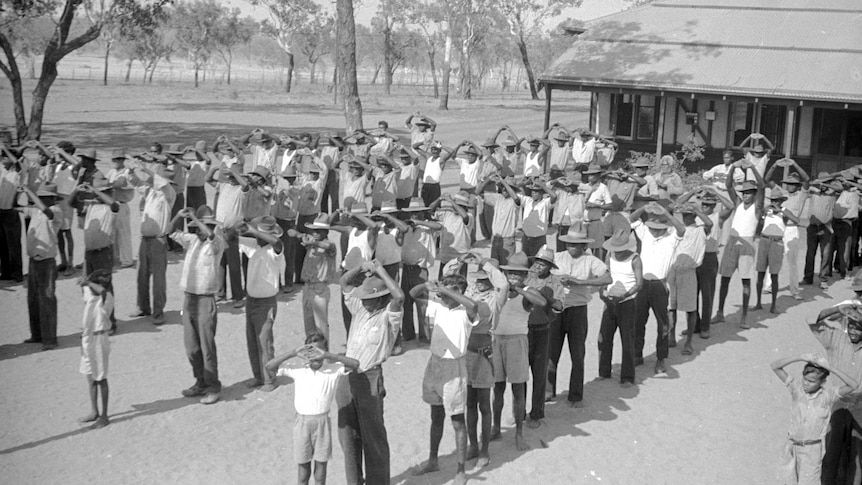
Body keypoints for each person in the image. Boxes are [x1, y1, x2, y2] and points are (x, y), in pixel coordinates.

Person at [409, 275, 480, 485]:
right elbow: (413, 295)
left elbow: (473, 304)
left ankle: (460, 470)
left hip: (454, 367)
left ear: (459, 292)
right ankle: (433, 461)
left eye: (448, 292)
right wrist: (426, 285)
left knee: (457, 420)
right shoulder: (438, 306)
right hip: (435, 364)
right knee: (436, 415)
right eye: (442, 292)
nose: (443, 296)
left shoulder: (465, 312)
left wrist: (447, 291)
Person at [338, 260, 404, 485]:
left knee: (373, 436)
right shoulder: (358, 309)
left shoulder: (389, 315)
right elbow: (344, 282)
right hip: (347, 376)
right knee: (349, 436)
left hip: (370, 376)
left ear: (380, 297)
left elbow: (400, 296)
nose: (365, 303)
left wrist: (380, 271)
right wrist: (361, 267)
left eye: (369, 299)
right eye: (363, 298)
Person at [266, 333, 360, 485]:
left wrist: (328, 355)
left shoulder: (333, 369)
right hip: (302, 423)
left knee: (321, 471)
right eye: (312, 352)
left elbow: (355, 364)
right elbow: (269, 366)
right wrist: (294, 352)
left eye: (319, 352)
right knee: (303, 472)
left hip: (323, 422)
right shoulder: (298, 369)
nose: (316, 357)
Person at [771, 354, 858, 485]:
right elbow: (775, 366)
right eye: (804, 379)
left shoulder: (828, 396)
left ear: (822, 382)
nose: (806, 383)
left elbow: (853, 385)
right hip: (791, 448)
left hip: (812, 452)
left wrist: (830, 367)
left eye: (811, 381)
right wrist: (800, 357)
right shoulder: (796, 389)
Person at [170, 206, 227, 405]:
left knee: (207, 346)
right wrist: (178, 215)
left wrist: (194, 217)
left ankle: (213, 386)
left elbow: (211, 236)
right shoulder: (192, 240)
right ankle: (200, 381)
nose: (202, 230)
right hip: (189, 298)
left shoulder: (217, 243)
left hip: (205, 300)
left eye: (206, 226)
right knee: (192, 347)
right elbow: (168, 232)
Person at [491, 252, 546, 451]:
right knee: (497, 388)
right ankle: (496, 428)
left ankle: (519, 433)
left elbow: (541, 302)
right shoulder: (499, 288)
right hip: (496, 339)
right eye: (510, 274)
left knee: (517, 389)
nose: (513, 277)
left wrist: (518, 289)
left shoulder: (528, 291)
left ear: (524, 276)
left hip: (517, 341)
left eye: (517, 274)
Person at [550, 227, 611, 404]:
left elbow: (607, 279)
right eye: (569, 243)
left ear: (583, 245)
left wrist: (581, 282)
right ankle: (548, 391)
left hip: (578, 309)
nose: (571, 247)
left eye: (575, 244)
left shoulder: (591, 261)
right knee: (551, 352)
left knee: (577, 354)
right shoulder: (558, 257)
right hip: (557, 308)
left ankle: (576, 395)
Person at [809, 293, 862, 484]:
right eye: (853, 326)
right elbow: (811, 320)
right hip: (837, 402)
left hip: (860, 405)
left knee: (857, 456)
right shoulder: (835, 338)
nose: (855, 331)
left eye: (860, 327)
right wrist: (838, 309)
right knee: (832, 453)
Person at [629, 202, 685, 373]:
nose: (653, 230)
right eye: (652, 227)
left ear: (664, 227)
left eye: (657, 227)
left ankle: (661, 359)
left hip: (661, 284)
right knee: (638, 322)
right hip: (643, 284)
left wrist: (666, 214)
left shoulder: (671, 237)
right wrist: (644, 208)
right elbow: (631, 219)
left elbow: (682, 230)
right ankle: (637, 354)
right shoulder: (645, 233)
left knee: (663, 324)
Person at [713, 161, 765, 329]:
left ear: (754, 194)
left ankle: (743, 316)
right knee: (725, 280)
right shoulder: (738, 203)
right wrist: (734, 167)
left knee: (745, 281)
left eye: (749, 193)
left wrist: (751, 167)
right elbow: (728, 185)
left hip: (746, 244)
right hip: (732, 242)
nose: (745, 195)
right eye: (744, 192)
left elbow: (762, 186)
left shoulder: (757, 207)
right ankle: (720, 313)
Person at [126, 159, 177, 325]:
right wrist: (131, 171)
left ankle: (158, 311)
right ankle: (143, 307)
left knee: (158, 279)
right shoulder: (151, 192)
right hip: (145, 240)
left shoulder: (169, 194)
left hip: (158, 241)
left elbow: (160, 182)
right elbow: (135, 182)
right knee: (141, 275)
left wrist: (146, 170)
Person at [238, 216, 285, 393]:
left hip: (266, 303)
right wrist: (244, 227)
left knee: (264, 342)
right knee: (252, 340)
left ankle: (269, 379)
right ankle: (259, 376)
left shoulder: (275, 250)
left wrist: (254, 231)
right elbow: (231, 234)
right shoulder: (254, 246)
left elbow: (277, 242)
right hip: (251, 300)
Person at [18, 183, 61, 350]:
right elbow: (17, 208)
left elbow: (47, 211)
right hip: (34, 261)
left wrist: (29, 191)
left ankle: (50, 339)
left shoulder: (55, 210)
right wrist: (18, 192)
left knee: (47, 300)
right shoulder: (36, 210)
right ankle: (37, 334)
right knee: (34, 300)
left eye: (42, 197)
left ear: (50, 198)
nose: (39, 199)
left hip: (47, 262)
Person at [598, 228, 642, 387]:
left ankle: (628, 377)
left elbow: (639, 283)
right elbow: (605, 275)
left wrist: (624, 296)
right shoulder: (610, 255)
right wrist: (602, 291)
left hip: (627, 303)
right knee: (604, 337)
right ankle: (604, 371)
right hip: (610, 301)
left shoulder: (635, 259)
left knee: (627, 339)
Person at [524, 247, 561, 425]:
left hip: (543, 329)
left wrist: (549, 298)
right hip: (524, 328)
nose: (538, 266)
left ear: (549, 267)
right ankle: (520, 412)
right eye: (537, 262)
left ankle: (537, 413)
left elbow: (560, 306)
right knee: (521, 374)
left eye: (543, 264)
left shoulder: (555, 282)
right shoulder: (526, 276)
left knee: (539, 373)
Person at [667, 203, 710, 355]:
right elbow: (669, 209)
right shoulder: (676, 229)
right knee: (671, 306)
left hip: (689, 271)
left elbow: (709, 223)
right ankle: (671, 337)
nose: (685, 217)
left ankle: (689, 342)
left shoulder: (700, 230)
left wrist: (696, 210)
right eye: (684, 214)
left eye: (688, 214)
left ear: (694, 215)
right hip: (673, 269)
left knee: (690, 308)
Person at [399, 197, 441, 344]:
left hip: (420, 270)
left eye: (417, 213)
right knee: (406, 303)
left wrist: (419, 222)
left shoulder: (427, 228)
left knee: (422, 304)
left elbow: (439, 226)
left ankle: (424, 336)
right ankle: (408, 333)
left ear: (423, 214)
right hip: (406, 268)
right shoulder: (406, 228)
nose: (414, 216)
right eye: (413, 214)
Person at [77, 268, 114, 430]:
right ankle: (94, 411)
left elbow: (103, 290)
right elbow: (85, 287)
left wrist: (88, 282)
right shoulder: (91, 294)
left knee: (100, 378)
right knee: (90, 377)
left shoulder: (107, 298)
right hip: (87, 338)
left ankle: (104, 416)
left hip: (99, 339)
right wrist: (84, 281)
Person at [754, 187, 798, 314]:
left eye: (777, 201)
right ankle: (758, 302)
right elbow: (759, 220)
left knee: (774, 274)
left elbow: (796, 220)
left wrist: (781, 211)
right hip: (764, 240)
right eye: (773, 200)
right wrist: (764, 211)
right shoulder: (767, 211)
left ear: (781, 201)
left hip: (777, 242)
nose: (774, 203)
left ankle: (773, 304)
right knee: (760, 272)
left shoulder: (784, 211)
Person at [298, 214, 338, 340]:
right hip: (307, 287)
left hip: (319, 289)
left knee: (320, 327)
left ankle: (324, 357)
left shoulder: (329, 245)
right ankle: (313, 357)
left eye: (318, 231)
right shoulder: (312, 242)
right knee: (309, 327)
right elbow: (292, 232)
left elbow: (327, 247)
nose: (314, 233)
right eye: (313, 231)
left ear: (326, 232)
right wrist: (303, 237)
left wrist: (312, 242)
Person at [803, 175, 840, 290]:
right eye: (822, 182)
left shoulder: (832, 193)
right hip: (813, 227)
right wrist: (818, 183)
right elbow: (806, 184)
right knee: (810, 253)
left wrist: (826, 184)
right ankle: (808, 278)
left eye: (827, 182)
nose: (823, 185)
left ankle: (823, 279)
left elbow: (840, 188)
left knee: (825, 254)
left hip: (826, 227)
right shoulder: (814, 191)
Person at [105, 149, 135, 268]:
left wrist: (109, 184)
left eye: (118, 159)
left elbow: (119, 184)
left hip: (122, 204)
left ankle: (127, 260)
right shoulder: (112, 172)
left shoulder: (127, 172)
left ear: (123, 160)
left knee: (124, 233)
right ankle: (114, 258)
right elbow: (104, 183)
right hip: (112, 205)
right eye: (114, 159)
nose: (116, 161)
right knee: (112, 233)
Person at [519, 179, 557, 257]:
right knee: (525, 260)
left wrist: (542, 185)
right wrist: (522, 183)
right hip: (526, 237)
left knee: (537, 260)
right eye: (532, 191)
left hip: (539, 239)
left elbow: (554, 196)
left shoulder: (545, 203)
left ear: (541, 193)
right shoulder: (527, 200)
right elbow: (514, 195)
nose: (533, 193)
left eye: (536, 192)